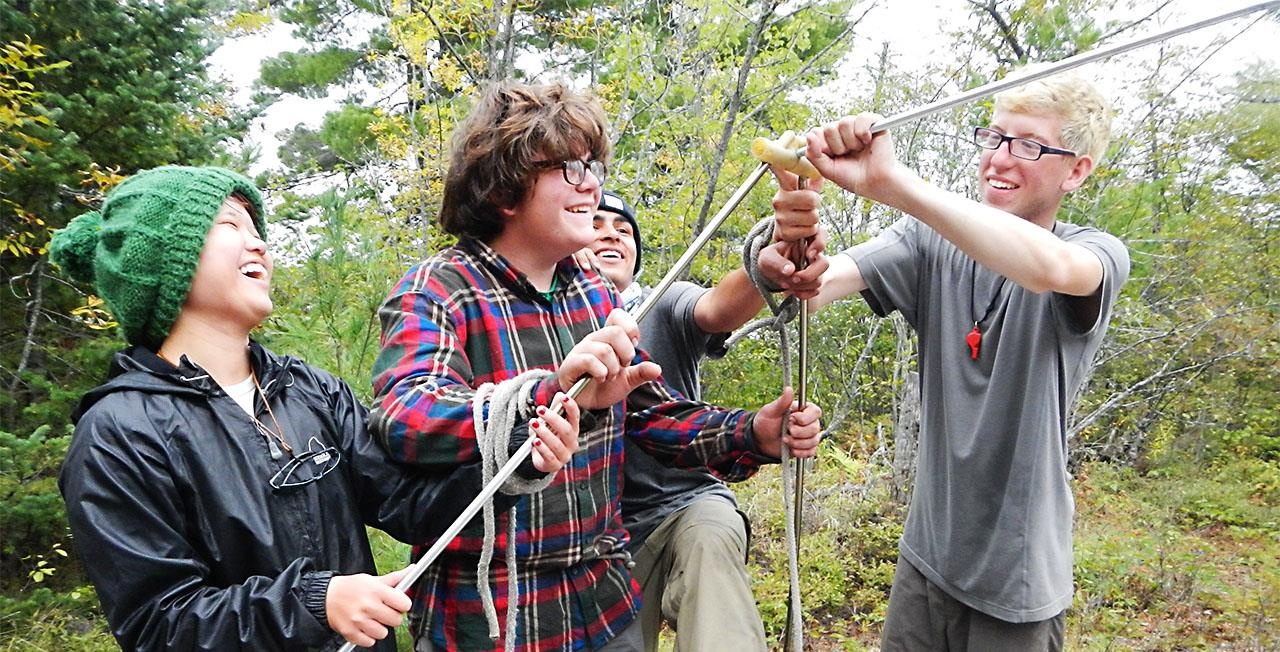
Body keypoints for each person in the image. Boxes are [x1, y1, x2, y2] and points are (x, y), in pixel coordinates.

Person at [368, 81, 823, 652]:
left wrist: (752, 432)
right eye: (568, 167)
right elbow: (404, 414)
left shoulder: (591, 294)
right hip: (492, 619)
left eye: (592, 166)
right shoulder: (439, 289)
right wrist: (548, 393)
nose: (590, 183)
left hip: (602, 607)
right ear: (506, 191)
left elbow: (650, 419)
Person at [48, 165, 580, 651]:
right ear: (171, 258)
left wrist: (513, 458)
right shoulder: (117, 433)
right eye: (231, 225)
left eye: (258, 230)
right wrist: (314, 602)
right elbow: (158, 624)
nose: (258, 244)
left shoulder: (308, 391)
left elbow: (407, 502)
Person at [793, 71, 1130, 650]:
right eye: (994, 137)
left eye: (1029, 145)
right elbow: (812, 287)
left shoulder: (1096, 254)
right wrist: (787, 230)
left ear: (1076, 170)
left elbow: (1047, 269)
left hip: (1016, 584)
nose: (1000, 159)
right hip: (926, 560)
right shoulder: (928, 241)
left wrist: (893, 183)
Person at [586, 187, 822, 652]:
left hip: (686, 504)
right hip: (599, 534)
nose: (610, 235)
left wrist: (769, 265)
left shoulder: (664, 302)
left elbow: (718, 307)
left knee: (710, 546)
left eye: (623, 229)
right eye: (595, 224)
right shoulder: (544, 321)